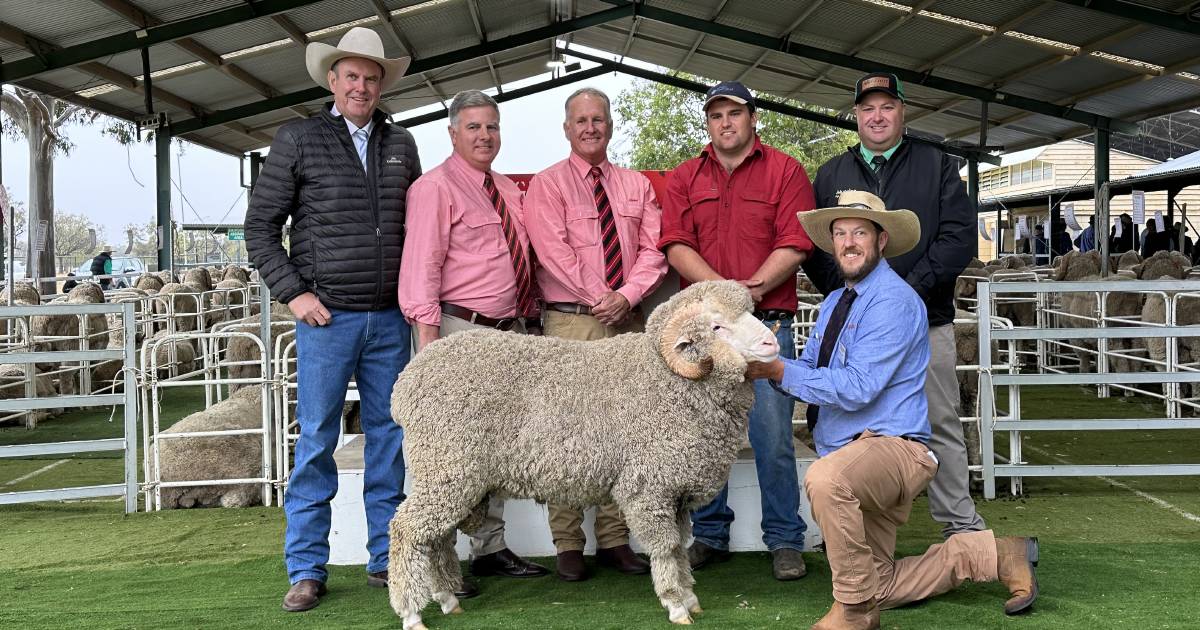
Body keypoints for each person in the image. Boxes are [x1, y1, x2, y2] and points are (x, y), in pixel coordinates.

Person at [752, 189, 1040, 630]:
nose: (848, 242)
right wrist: (753, 359)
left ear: (881, 240)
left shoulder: (893, 300)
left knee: (825, 482)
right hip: (852, 454)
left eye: (859, 233)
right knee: (879, 584)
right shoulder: (833, 303)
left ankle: (852, 611)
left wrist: (775, 372)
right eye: (840, 233)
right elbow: (808, 368)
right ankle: (998, 554)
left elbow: (857, 388)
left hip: (893, 449)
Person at [245, 27, 419, 613]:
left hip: (390, 319)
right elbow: (260, 228)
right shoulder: (297, 138)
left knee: (389, 439)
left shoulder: (403, 144)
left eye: (371, 78)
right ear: (332, 80)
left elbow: (416, 231)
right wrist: (293, 293)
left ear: (381, 85)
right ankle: (306, 568)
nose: (361, 86)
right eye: (351, 76)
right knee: (317, 439)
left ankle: (386, 556)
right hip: (325, 319)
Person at [801, 72, 986, 540]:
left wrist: (903, 298)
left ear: (903, 112)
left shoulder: (937, 165)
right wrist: (852, 301)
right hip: (854, 329)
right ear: (856, 116)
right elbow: (819, 250)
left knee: (938, 419)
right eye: (867, 108)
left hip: (928, 321)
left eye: (886, 106)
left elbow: (958, 237)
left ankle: (958, 523)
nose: (877, 116)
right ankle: (848, 527)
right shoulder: (831, 173)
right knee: (850, 421)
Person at [659, 80, 814, 580]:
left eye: (734, 113)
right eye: (716, 115)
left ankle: (785, 539)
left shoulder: (786, 170)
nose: (725, 123)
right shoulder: (685, 176)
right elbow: (676, 244)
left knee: (772, 436)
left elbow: (795, 243)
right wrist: (725, 298)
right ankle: (709, 533)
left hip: (767, 324)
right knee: (707, 434)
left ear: (753, 118)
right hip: (707, 331)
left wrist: (751, 293)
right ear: (708, 122)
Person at [397, 89, 549, 591]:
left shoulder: (506, 189)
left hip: (509, 334)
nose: (485, 137)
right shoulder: (433, 188)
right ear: (452, 132)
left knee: (496, 447)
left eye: (492, 127)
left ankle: (489, 548)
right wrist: (431, 349)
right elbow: (421, 269)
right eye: (474, 128)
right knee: (452, 450)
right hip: (461, 334)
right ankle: (438, 554)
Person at [525, 87, 666, 582]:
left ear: (610, 125)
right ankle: (567, 543)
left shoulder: (636, 185)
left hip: (628, 321)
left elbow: (655, 249)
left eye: (598, 119)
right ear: (567, 128)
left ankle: (615, 539)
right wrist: (600, 296)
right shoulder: (548, 185)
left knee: (623, 432)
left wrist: (626, 296)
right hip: (571, 320)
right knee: (567, 431)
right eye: (580, 120)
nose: (590, 127)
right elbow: (552, 251)